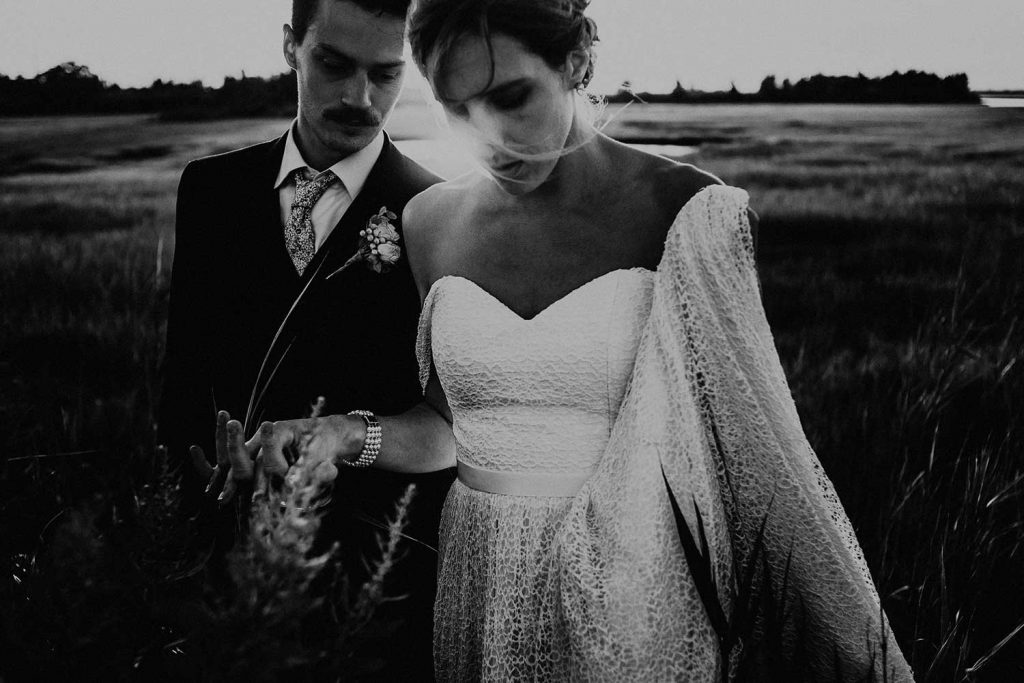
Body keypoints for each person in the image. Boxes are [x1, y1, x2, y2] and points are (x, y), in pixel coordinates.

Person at [395, 0, 915, 680]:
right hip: (480, 575)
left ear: (576, 59)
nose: (488, 138)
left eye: (510, 97)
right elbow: (450, 423)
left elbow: (754, 453)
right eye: (456, 108)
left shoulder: (684, 209)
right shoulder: (428, 222)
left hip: (635, 593)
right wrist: (348, 435)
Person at [157, 0, 455, 677]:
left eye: (386, 74)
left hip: (376, 582)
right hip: (226, 565)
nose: (359, 96)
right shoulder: (209, 189)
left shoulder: (437, 212)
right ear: (290, 46)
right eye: (333, 64)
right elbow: (183, 384)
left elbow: (449, 421)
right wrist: (198, 487)